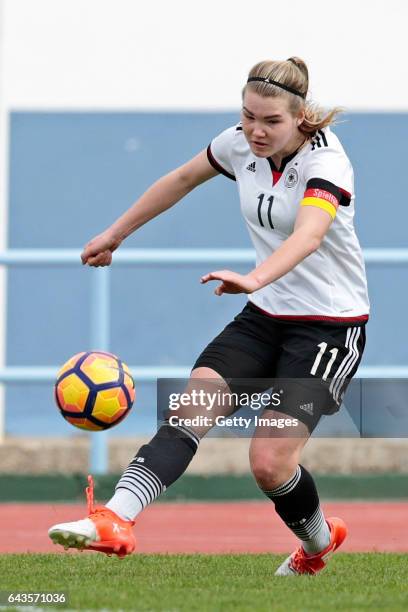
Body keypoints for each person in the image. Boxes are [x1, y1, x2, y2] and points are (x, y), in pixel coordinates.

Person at [48, 57, 369, 575]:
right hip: (265, 315)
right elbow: (180, 178)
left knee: (268, 465)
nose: (256, 131)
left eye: (271, 122)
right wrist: (115, 234)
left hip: (328, 327)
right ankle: (115, 518)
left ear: (300, 116)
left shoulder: (327, 163)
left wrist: (255, 276)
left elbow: (309, 235)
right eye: (247, 116)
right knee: (190, 409)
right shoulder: (238, 142)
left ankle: (316, 542)